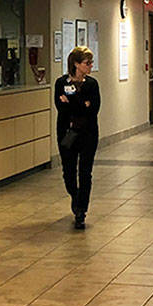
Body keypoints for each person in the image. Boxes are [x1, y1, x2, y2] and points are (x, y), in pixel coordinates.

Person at [55, 46, 100, 229]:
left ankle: (81, 210)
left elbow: (93, 109)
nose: (90, 66)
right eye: (87, 63)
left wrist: (72, 101)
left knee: (85, 172)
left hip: (88, 133)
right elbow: (61, 107)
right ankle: (75, 195)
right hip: (68, 133)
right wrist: (82, 103)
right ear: (76, 64)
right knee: (69, 172)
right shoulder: (61, 83)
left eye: (91, 63)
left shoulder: (92, 84)